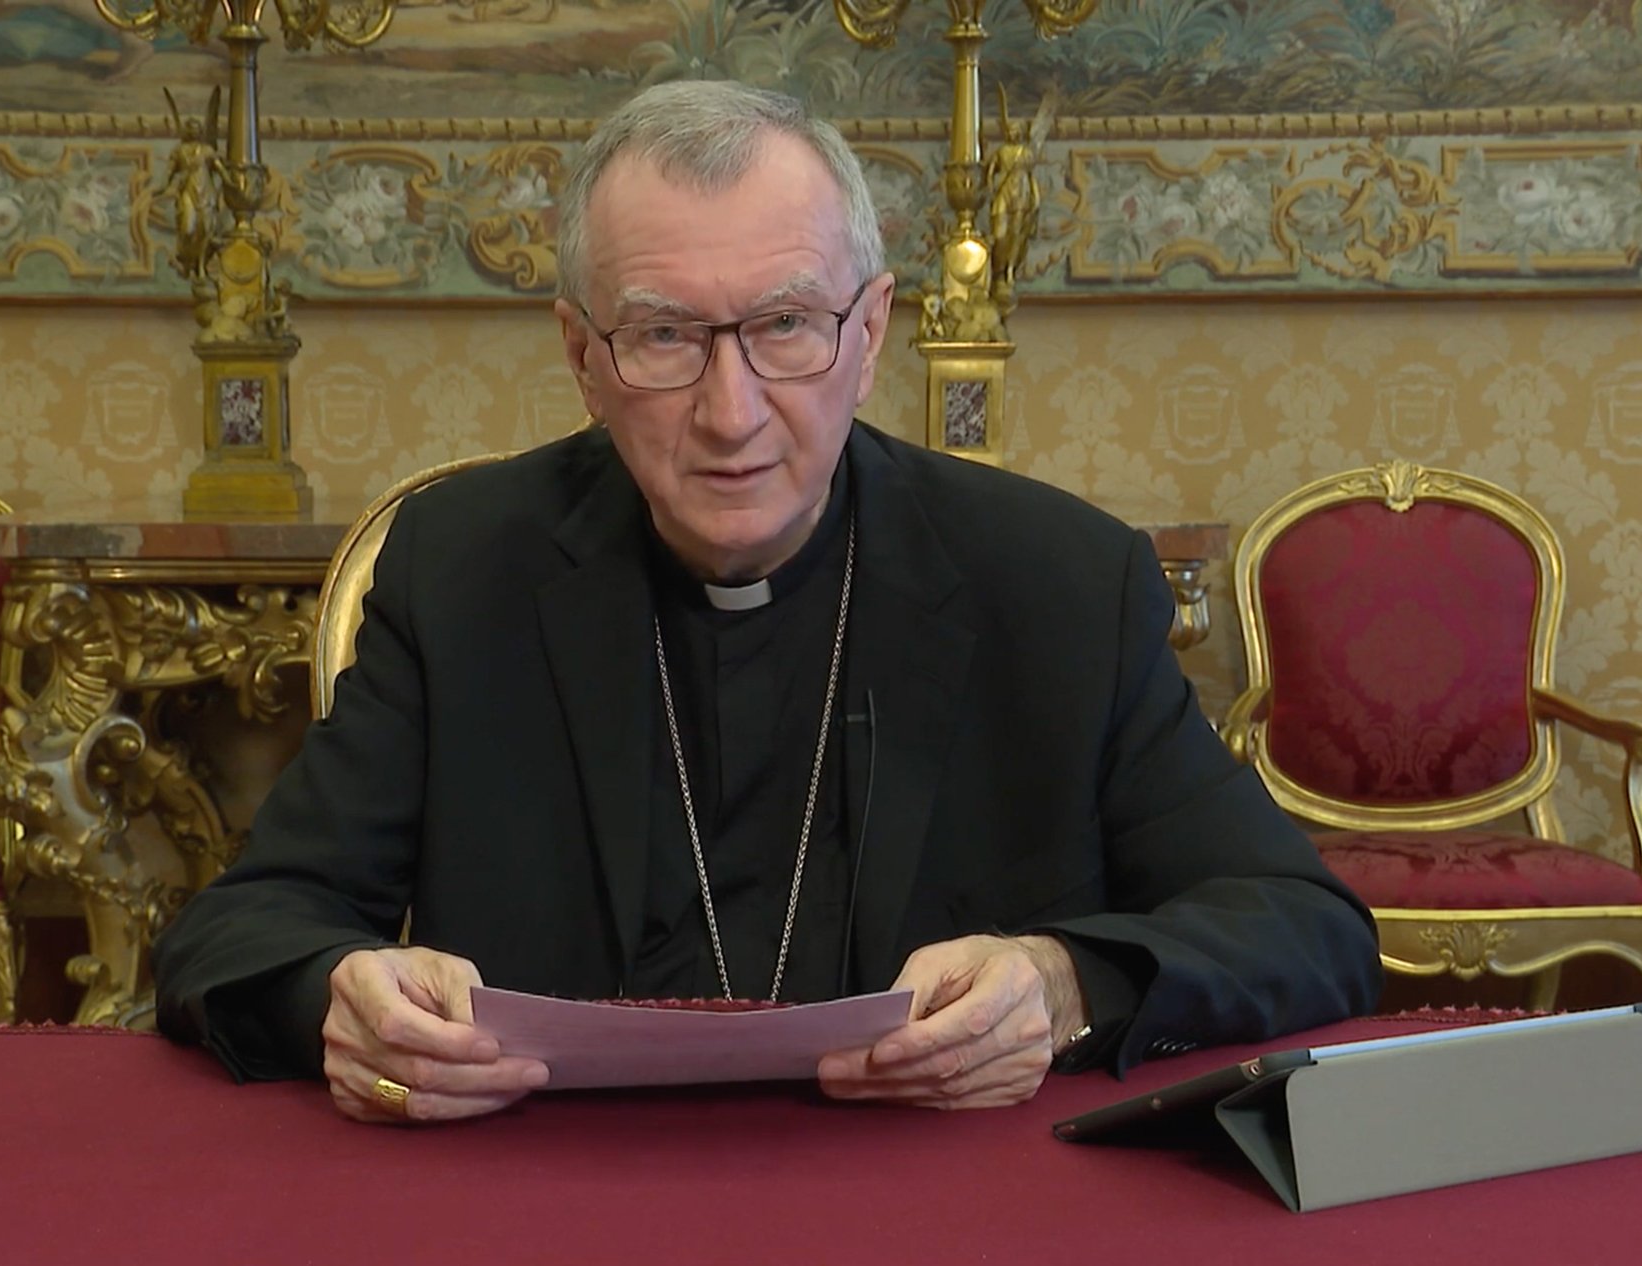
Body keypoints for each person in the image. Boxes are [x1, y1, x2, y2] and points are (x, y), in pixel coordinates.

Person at [153, 80, 1381, 1125]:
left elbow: (1304, 926)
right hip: (553, 1192)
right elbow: (244, 928)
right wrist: (345, 994)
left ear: (872, 330)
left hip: (929, 1205)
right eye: (665, 336)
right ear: (583, 356)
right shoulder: (464, 567)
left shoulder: (1053, 580)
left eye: (787, 325)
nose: (731, 412)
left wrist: (1064, 981)